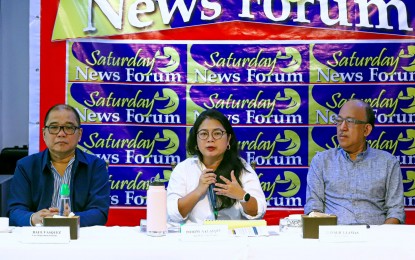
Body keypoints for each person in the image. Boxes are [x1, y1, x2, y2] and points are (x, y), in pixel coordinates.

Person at [305, 99, 405, 225]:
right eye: (339, 121)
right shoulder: (321, 161)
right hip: (333, 239)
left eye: (350, 121)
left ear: (366, 130)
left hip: (376, 240)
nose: (342, 127)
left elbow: (395, 212)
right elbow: (313, 209)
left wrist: (381, 238)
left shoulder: (388, 163)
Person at [7, 104, 110, 227]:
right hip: (38, 237)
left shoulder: (96, 166)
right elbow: (14, 211)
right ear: (44, 133)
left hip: (79, 238)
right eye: (54, 127)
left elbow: (99, 212)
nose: (61, 133)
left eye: (69, 127)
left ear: (80, 134)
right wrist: (34, 218)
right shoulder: (26, 166)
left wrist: (71, 219)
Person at [167, 109, 267, 224]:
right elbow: (173, 214)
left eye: (217, 133)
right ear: (196, 140)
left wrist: (242, 195)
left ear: (228, 139)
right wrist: (198, 191)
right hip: (195, 238)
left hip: (231, 237)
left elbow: (257, 212)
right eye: (204, 134)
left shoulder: (241, 167)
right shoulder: (184, 168)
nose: (210, 139)